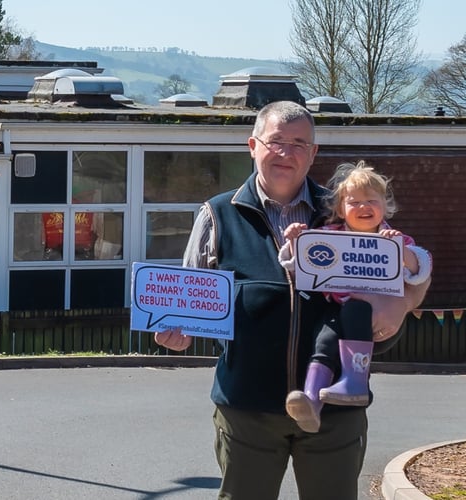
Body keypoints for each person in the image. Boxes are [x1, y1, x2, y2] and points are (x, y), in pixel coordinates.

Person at [153, 101, 431, 500]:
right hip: (246, 408)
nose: (287, 152)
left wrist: (402, 304)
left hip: (335, 413)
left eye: (300, 143)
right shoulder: (217, 214)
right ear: (253, 145)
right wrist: (177, 331)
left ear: (314, 153)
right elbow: (189, 298)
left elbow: (410, 271)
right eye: (277, 141)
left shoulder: (346, 209)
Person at [278, 160, 432, 433]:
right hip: (338, 310)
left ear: (385, 206)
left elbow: (421, 267)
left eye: (371, 200)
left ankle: (356, 381)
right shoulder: (329, 235)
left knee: (356, 310)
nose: (364, 207)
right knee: (323, 339)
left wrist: (401, 253)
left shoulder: (393, 238)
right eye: (354, 202)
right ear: (341, 209)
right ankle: (311, 401)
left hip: (374, 314)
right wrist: (295, 241)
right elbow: (299, 265)